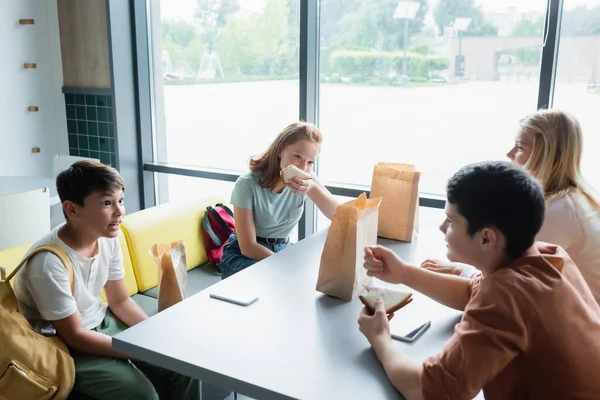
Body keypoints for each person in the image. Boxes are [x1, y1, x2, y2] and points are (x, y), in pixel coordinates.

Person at [358, 161, 600, 400]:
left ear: (486, 239)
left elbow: (430, 392)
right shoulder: (548, 256)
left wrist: (380, 338)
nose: (442, 228)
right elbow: (472, 294)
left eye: (451, 221)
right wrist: (403, 273)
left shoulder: (506, 293)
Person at [13, 161, 200, 400]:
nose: (120, 211)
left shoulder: (109, 236)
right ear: (71, 210)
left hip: (101, 321)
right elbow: (75, 335)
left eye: (120, 200)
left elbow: (120, 301)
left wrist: (155, 338)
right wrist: (138, 351)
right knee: (141, 394)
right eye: (106, 203)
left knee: (184, 365)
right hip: (61, 343)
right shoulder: (48, 262)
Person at [423, 109, 600, 303]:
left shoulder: (558, 212)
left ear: (551, 158)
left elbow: (497, 290)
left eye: (520, 148)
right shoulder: (572, 200)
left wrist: (461, 270)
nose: (509, 154)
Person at [220, 122, 338, 279]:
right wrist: (283, 264)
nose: (303, 167)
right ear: (280, 150)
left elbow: (339, 214)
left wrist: (312, 188)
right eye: (297, 156)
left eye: (310, 162)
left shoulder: (307, 179)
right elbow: (248, 246)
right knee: (275, 281)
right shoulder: (246, 184)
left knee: (315, 277)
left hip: (284, 247)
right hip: (244, 254)